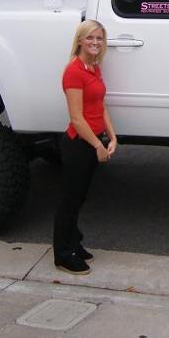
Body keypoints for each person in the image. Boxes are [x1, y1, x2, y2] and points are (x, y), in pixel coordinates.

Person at [53, 19, 117, 275]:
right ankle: (62, 255)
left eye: (99, 38)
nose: (95, 42)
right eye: (90, 37)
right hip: (78, 144)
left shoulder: (93, 67)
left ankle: (73, 242)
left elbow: (100, 107)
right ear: (79, 40)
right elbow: (77, 119)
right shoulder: (74, 71)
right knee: (69, 201)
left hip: (94, 141)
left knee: (79, 198)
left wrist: (112, 137)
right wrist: (97, 145)